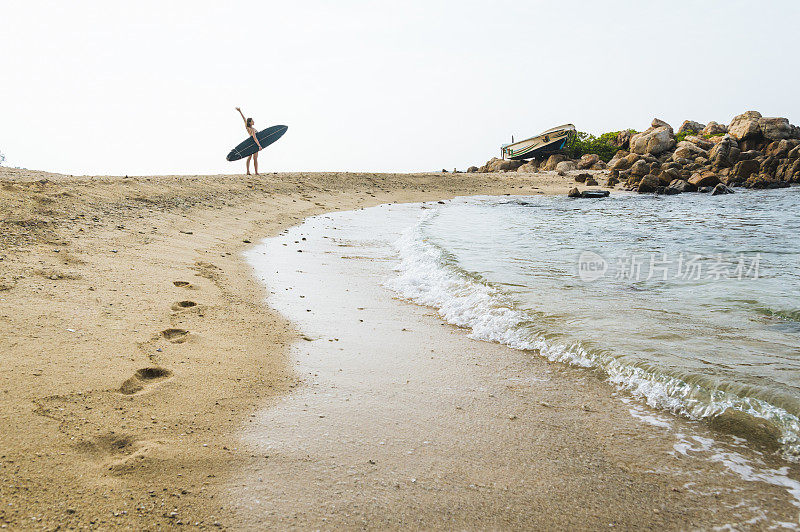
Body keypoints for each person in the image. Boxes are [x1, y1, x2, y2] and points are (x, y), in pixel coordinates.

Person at [236, 107, 262, 175]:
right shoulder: (252, 129)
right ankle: (256, 172)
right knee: (255, 158)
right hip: (254, 144)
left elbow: (244, 120)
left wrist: (240, 111)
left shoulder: (248, 128)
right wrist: (259, 146)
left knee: (249, 157)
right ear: (250, 122)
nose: (254, 121)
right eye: (252, 121)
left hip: (250, 144)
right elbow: (255, 138)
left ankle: (248, 171)